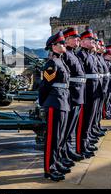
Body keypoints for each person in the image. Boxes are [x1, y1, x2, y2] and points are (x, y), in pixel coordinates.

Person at [39, 31, 71, 181]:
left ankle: (56, 163)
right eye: (62, 43)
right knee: (52, 138)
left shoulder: (61, 61)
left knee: (60, 137)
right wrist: (44, 103)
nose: (64, 45)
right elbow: (45, 86)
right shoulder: (51, 63)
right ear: (53, 46)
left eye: (64, 43)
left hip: (63, 101)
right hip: (54, 103)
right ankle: (49, 169)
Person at [61, 27, 86, 163]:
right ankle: (64, 153)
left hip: (78, 94)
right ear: (67, 40)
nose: (78, 40)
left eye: (78, 38)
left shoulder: (73, 54)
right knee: (66, 127)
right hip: (71, 95)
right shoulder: (65, 54)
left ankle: (69, 150)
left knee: (72, 127)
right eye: (75, 38)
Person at [76, 28, 100, 159]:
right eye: (90, 39)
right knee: (84, 121)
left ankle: (86, 142)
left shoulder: (89, 55)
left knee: (90, 119)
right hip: (87, 92)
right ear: (83, 42)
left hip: (94, 90)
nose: (93, 41)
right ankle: (81, 147)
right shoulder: (81, 55)